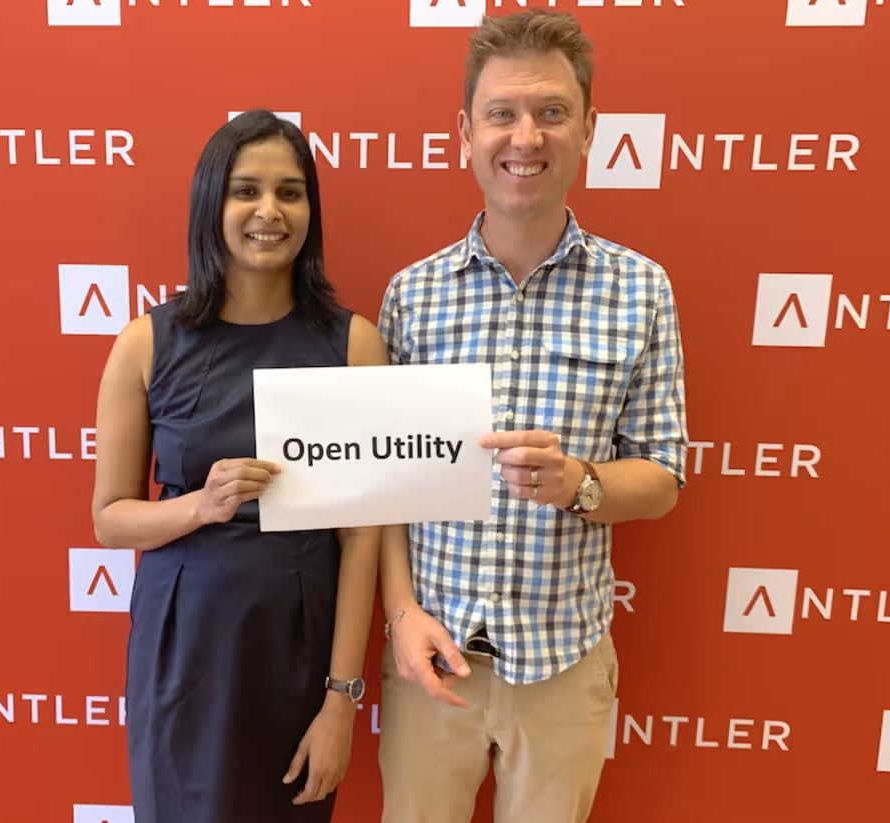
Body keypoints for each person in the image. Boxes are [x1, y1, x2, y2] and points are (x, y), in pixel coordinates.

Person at [376, 10, 689, 823]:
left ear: (589, 128)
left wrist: (579, 482)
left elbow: (660, 479)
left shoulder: (641, 291)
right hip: (428, 665)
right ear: (466, 131)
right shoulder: (412, 296)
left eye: (552, 111)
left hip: (564, 665)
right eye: (502, 113)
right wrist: (402, 615)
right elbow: (384, 493)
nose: (526, 136)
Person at [90, 109, 385, 823]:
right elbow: (110, 519)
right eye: (245, 190)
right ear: (210, 202)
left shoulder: (354, 345)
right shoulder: (145, 343)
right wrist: (200, 503)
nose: (268, 211)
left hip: (296, 645)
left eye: (291, 192)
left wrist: (341, 701)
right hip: (182, 645)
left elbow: (362, 537)